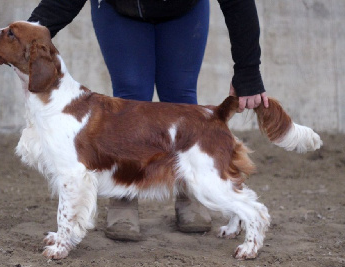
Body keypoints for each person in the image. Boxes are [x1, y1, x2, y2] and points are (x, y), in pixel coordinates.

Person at [27, 0, 269, 241]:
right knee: (129, 96)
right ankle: (124, 198)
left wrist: (248, 70)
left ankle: (191, 190)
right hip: (120, 10)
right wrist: (24, 38)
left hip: (183, 10)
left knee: (181, 96)